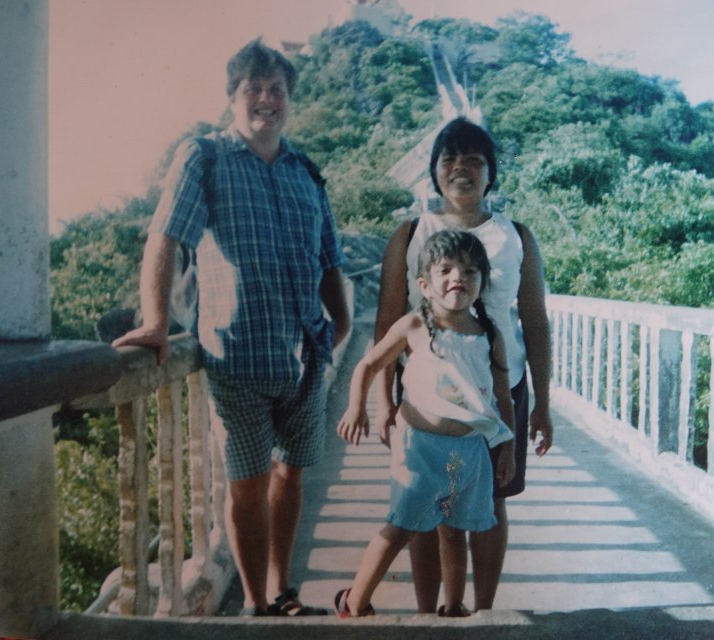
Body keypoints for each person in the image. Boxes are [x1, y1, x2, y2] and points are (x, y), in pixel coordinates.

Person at [113, 38, 350, 617]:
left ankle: (283, 590)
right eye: (254, 90)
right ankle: (254, 602)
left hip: (305, 352)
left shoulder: (306, 173)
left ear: (289, 99)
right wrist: (156, 320)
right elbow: (166, 236)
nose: (266, 101)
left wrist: (341, 321)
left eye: (277, 90)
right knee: (246, 483)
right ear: (231, 98)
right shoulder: (205, 157)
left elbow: (330, 260)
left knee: (291, 475)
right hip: (236, 355)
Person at [374, 117, 553, 613]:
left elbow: (535, 323)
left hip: (501, 389)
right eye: (449, 159)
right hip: (426, 396)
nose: (462, 169)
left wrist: (542, 404)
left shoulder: (517, 236)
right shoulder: (410, 234)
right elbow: (388, 319)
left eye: (475, 160)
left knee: (490, 502)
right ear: (434, 172)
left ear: (491, 173)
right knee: (424, 507)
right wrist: (382, 399)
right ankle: (429, 616)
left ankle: (484, 615)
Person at [335, 230, 515, 618]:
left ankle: (452, 606)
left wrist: (508, 449)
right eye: (446, 269)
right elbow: (368, 364)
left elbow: (502, 396)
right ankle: (354, 602)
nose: (458, 278)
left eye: (470, 271)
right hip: (420, 450)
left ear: (483, 281)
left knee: (454, 529)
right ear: (424, 284)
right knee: (400, 527)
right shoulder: (414, 325)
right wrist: (357, 408)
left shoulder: (489, 335)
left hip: (467, 453)